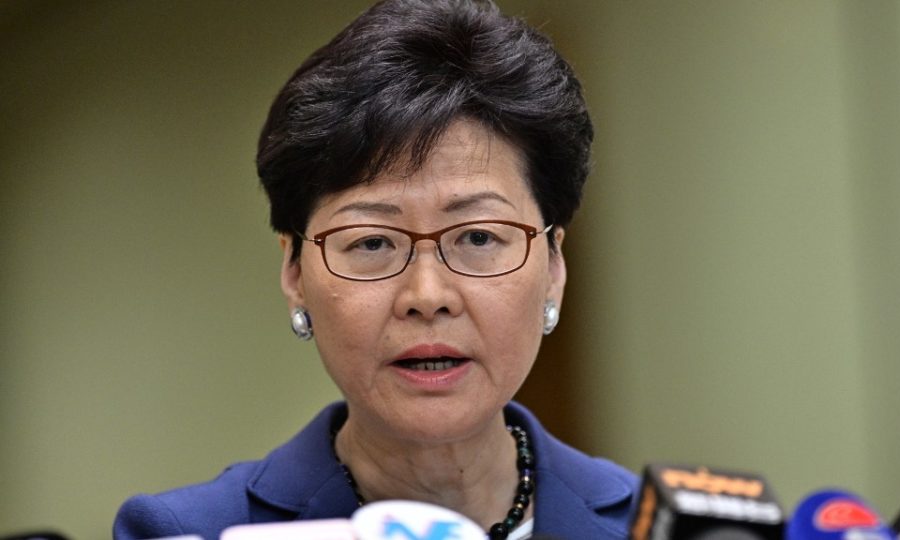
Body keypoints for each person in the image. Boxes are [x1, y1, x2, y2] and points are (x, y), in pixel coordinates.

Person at [113, 1, 639, 538]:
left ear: (553, 266)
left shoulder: (657, 524)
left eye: (478, 236)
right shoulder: (189, 531)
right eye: (370, 243)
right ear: (295, 274)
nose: (427, 294)